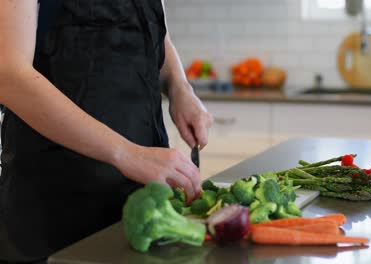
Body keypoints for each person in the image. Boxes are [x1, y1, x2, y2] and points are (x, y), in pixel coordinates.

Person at [0, 0, 212, 262]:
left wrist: (180, 87)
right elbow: (8, 76)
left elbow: (151, 29)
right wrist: (126, 153)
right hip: (56, 211)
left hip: (142, 205)